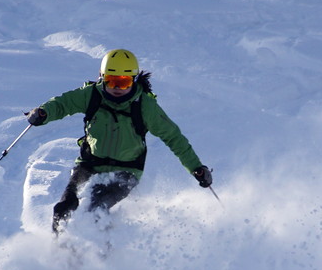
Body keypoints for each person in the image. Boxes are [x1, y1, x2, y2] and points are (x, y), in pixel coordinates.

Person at [26, 49, 212, 234]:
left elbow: (173, 137)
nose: (116, 87)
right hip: (89, 164)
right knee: (62, 208)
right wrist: (43, 112)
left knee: (96, 208)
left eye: (124, 82)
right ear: (101, 77)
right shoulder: (91, 95)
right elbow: (62, 104)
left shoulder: (145, 106)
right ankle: (60, 252)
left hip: (127, 170)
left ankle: (103, 256)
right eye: (111, 81)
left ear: (134, 80)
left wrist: (196, 167)